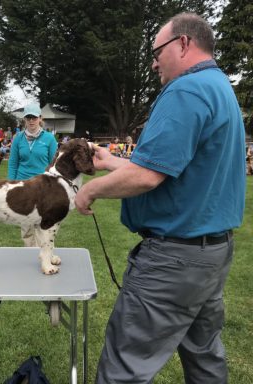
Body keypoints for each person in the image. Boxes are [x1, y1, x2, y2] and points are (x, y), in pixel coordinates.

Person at [75, 13, 245, 384]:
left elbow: (149, 176)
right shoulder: (218, 85)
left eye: (158, 51)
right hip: (212, 254)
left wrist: (89, 189)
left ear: (183, 44)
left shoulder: (186, 90)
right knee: (204, 358)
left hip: (174, 261)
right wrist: (111, 163)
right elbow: (174, 168)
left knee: (125, 367)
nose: (153, 61)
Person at [8, 103, 58, 180]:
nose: (31, 121)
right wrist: (10, 184)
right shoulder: (18, 138)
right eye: (28, 117)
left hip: (42, 184)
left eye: (34, 117)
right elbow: (12, 164)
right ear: (24, 119)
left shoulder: (50, 138)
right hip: (21, 184)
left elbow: (54, 165)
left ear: (40, 118)